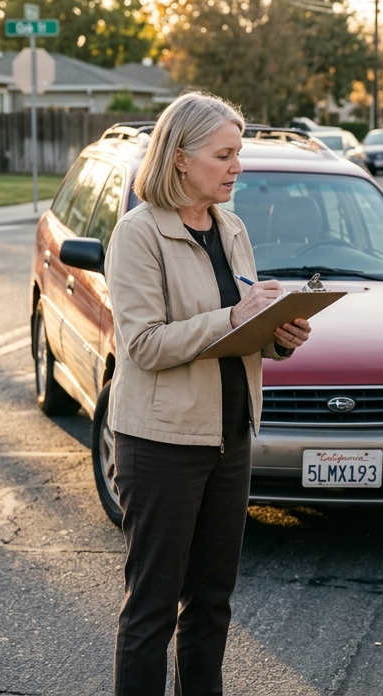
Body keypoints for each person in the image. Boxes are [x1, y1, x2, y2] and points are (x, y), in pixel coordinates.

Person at [105, 92, 312, 695]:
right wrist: (234, 317)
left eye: (237, 153)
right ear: (179, 159)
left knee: (212, 603)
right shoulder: (137, 235)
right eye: (223, 155)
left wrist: (280, 335)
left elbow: (240, 326)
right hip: (161, 442)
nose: (236, 167)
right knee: (151, 609)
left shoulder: (232, 228)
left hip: (229, 434)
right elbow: (143, 344)